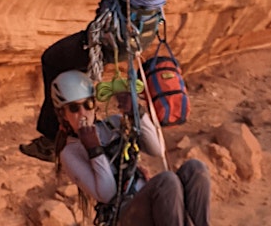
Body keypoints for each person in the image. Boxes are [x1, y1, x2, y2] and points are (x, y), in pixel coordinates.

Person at [20, 0, 178, 162]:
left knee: (54, 59)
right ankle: (80, 128)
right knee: (76, 66)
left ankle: (56, 138)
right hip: (139, 27)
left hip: (118, 31)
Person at [51, 70, 211, 226]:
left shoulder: (113, 123)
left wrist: (136, 112)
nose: (83, 113)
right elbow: (107, 194)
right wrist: (94, 151)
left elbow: (156, 149)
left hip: (145, 197)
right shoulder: (70, 153)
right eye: (73, 108)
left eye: (88, 104)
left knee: (195, 169)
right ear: (63, 114)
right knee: (167, 181)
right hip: (124, 213)